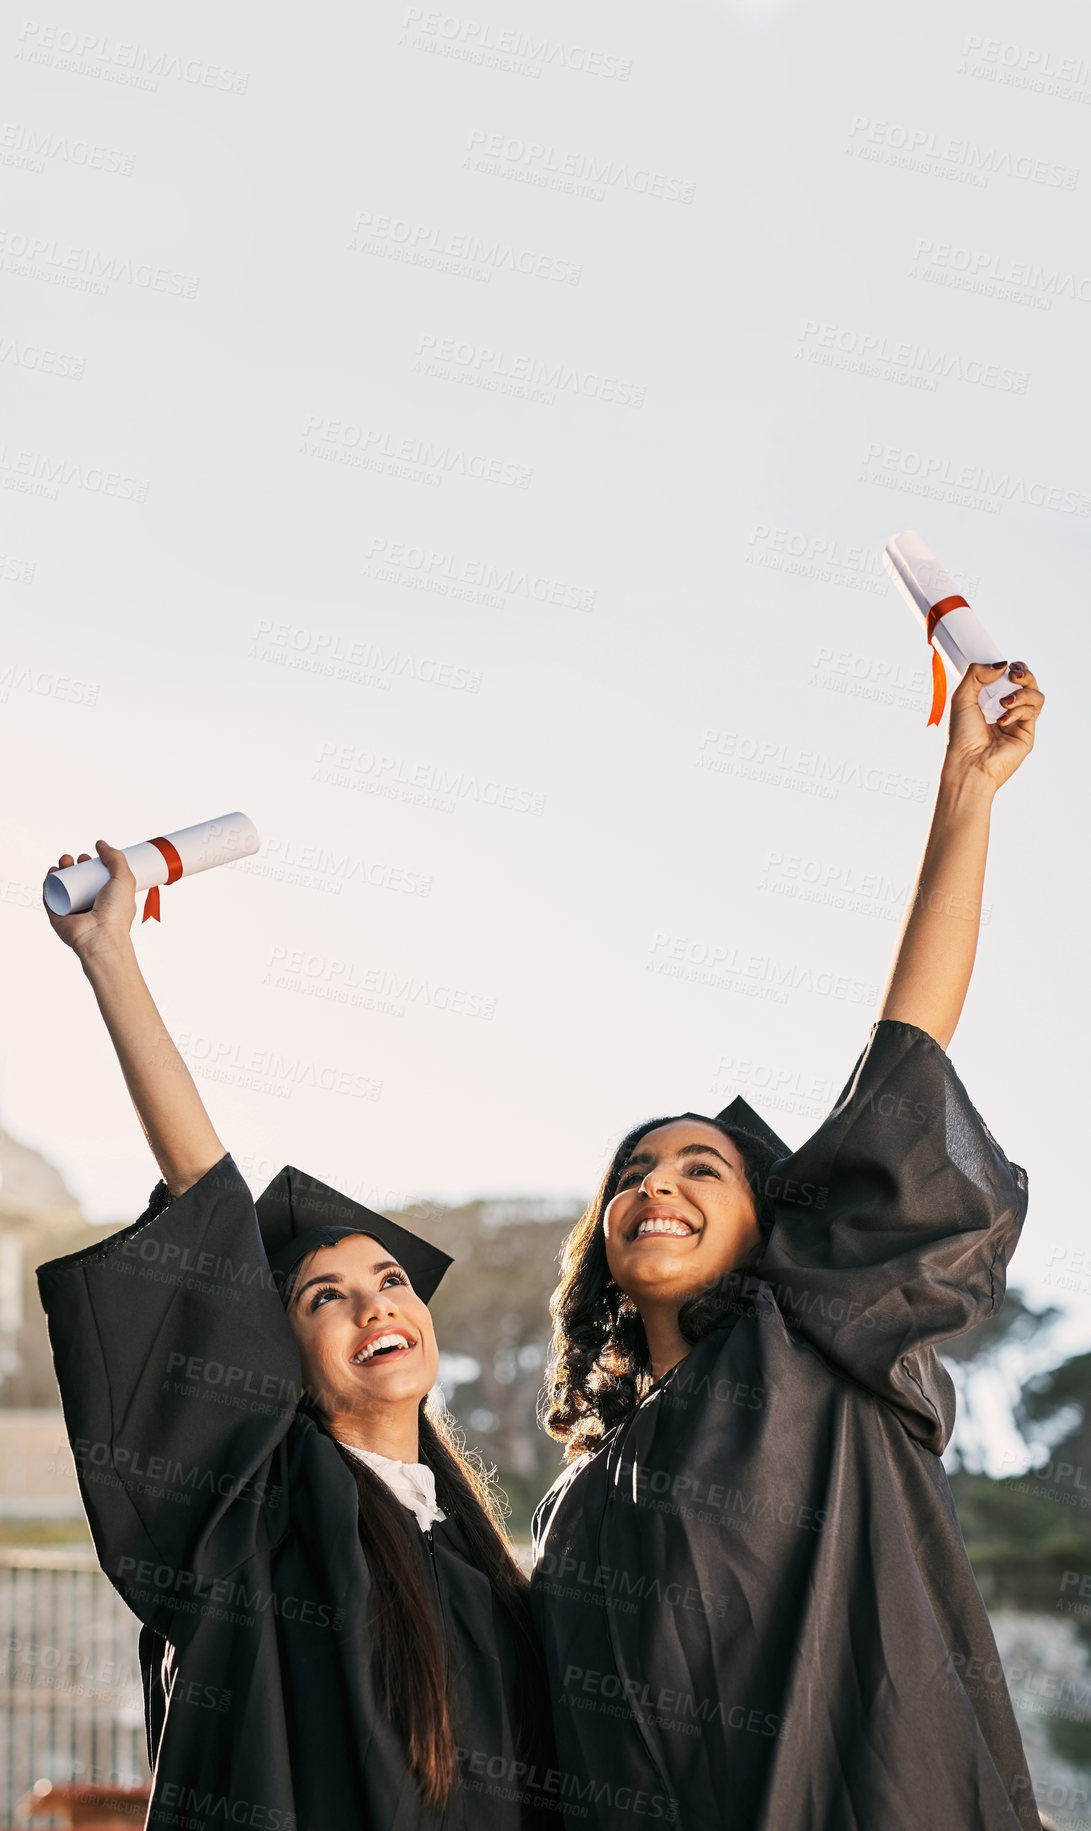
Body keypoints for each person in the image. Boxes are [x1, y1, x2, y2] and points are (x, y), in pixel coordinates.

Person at [533, 661, 1046, 1829]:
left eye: (699, 1167)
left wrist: (962, 794)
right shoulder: (571, 1505)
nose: (657, 1180)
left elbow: (904, 1057)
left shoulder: (809, 1338)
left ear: (781, 1232)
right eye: (633, 1172)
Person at [36, 847, 556, 1830]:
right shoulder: (268, 1513)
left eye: (390, 1280)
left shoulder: (486, 1568)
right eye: (324, 1295)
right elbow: (209, 1202)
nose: (374, 1306)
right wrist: (110, 956)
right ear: (271, 1358)